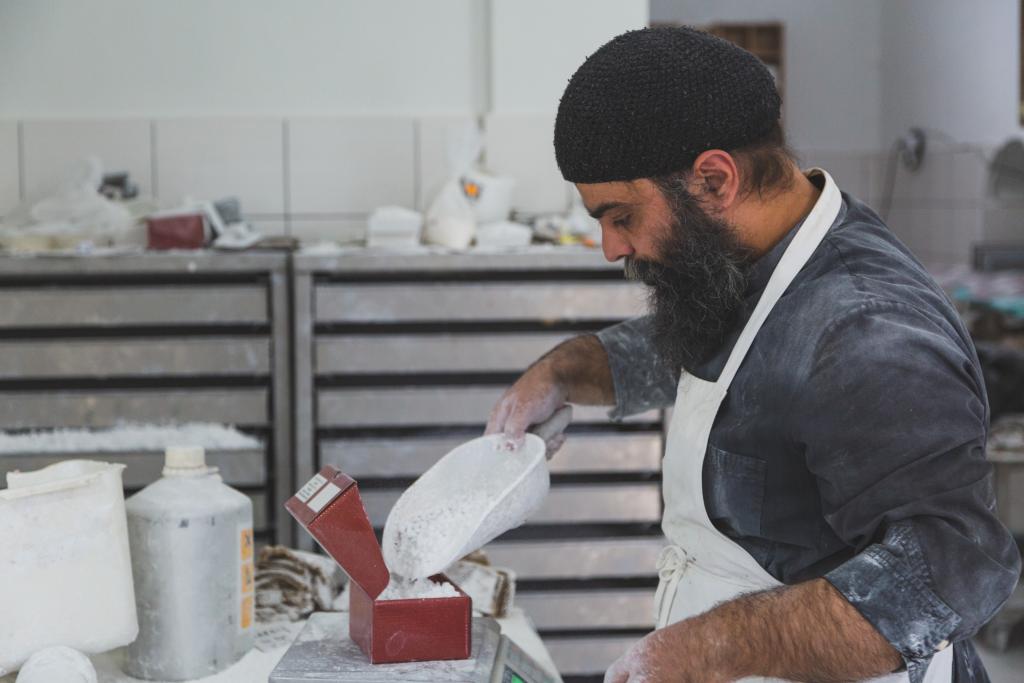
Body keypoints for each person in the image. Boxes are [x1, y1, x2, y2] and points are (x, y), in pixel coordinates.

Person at [485, 27, 1020, 683]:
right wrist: (562, 373)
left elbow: (955, 565)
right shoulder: (754, 260)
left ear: (714, 179)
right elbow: (714, 349)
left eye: (621, 216)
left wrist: (708, 647)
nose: (610, 246)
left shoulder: (866, 327)